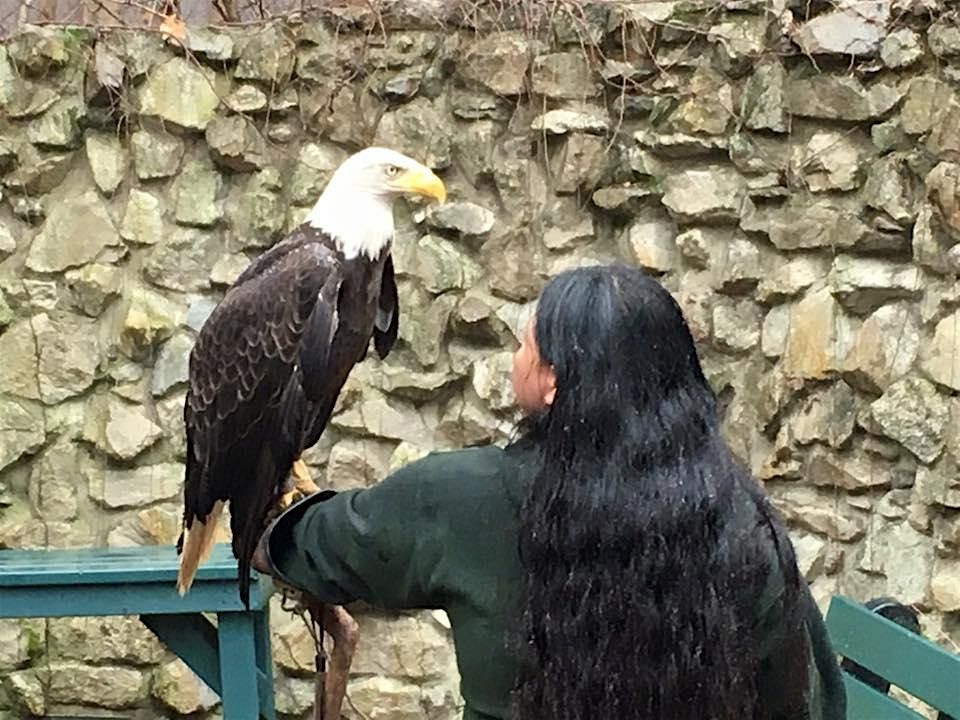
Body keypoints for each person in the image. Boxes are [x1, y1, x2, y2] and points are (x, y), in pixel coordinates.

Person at [252, 263, 847, 720]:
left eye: (523, 345)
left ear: (554, 381)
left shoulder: (461, 498)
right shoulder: (739, 517)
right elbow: (809, 703)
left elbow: (311, 546)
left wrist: (268, 503)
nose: (515, 357)